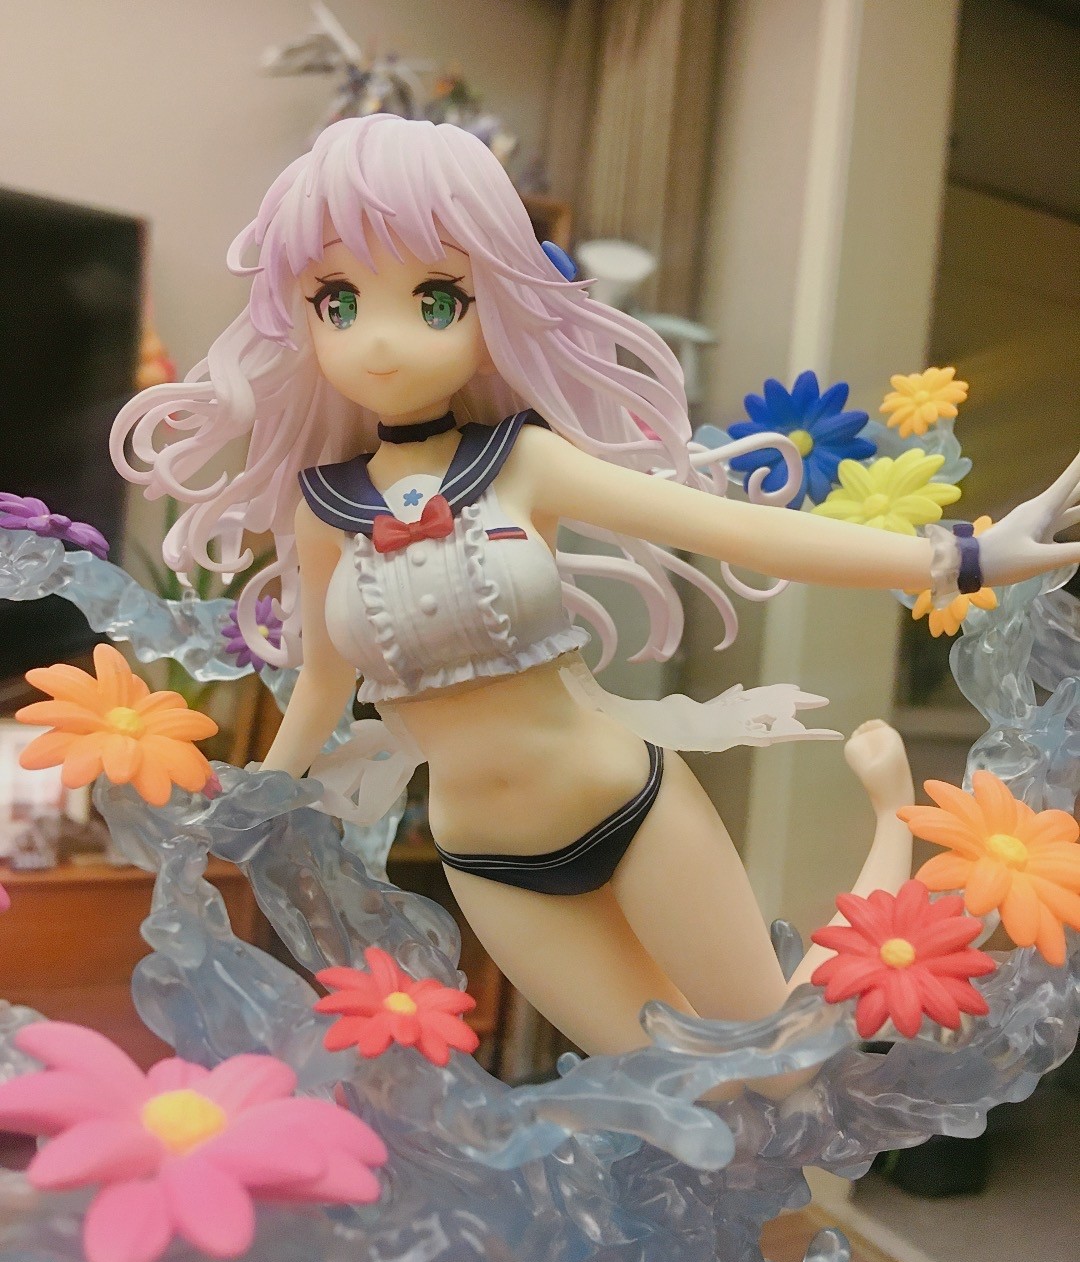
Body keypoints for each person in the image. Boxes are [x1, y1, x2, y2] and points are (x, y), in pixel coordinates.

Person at [112, 115, 1080, 1066]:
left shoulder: (523, 461)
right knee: (685, 1094)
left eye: (436, 299)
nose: (382, 341)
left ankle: (889, 817)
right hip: (488, 862)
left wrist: (961, 558)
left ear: (491, 305)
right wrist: (252, 797)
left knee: (780, 1055)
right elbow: (325, 684)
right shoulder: (324, 510)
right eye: (338, 301)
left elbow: (733, 530)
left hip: (628, 802)